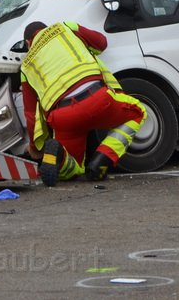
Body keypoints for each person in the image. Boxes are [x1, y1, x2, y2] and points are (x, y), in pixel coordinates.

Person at [21, 20, 147, 187]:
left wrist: (35, 148)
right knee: (138, 112)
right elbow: (101, 43)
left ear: (28, 43)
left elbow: (31, 115)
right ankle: (103, 158)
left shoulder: (26, 65)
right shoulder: (65, 26)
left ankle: (60, 154)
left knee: (71, 170)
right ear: (45, 28)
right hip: (97, 99)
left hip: (64, 118)